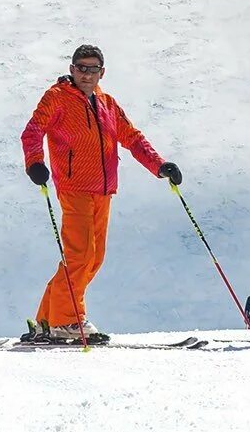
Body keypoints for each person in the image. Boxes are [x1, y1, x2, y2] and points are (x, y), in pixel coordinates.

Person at [21, 43, 180, 343]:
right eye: (81, 68)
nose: (86, 74)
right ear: (72, 69)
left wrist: (159, 166)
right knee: (81, 255)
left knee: (92, 259)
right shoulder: (56, 98)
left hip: (103, 189)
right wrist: (35, 164)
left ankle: (46, 319)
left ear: (101, 72)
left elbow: (131, 137)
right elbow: (32, 131)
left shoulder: (107, 103)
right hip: (74, 186)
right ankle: (68, 321)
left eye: (93, 69)